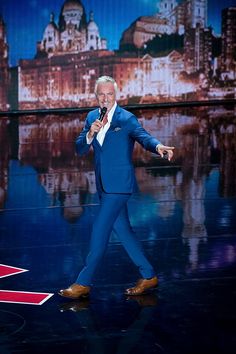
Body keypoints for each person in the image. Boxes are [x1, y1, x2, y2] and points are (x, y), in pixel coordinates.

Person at [59, 76, 174, 299]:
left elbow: (144, 137)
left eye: (109, 94)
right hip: (103, 185)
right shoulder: (92, 116)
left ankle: (83, 282)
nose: (105, 98)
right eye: (101, 94)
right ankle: (149, 276)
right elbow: (80, 148)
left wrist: (158, 146)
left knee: (99, 231)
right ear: (96, 96)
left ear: (116, 95)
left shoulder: (127, 118)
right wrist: (91, 133)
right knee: (124, 231)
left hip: (119, 187)